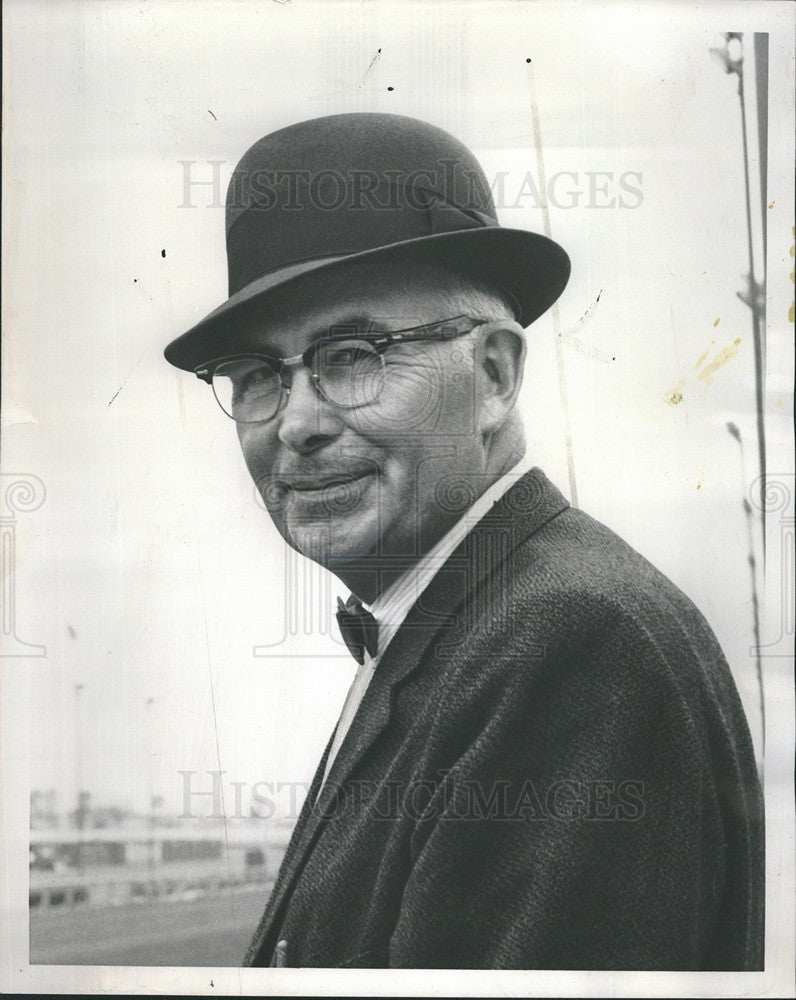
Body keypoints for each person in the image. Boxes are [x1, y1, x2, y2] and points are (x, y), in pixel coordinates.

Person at [164, 113, 764, 970]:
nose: (296, 423)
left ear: (494, 377)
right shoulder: (470, 621)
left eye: (353, 355)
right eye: (258, 376)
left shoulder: (570, 642)